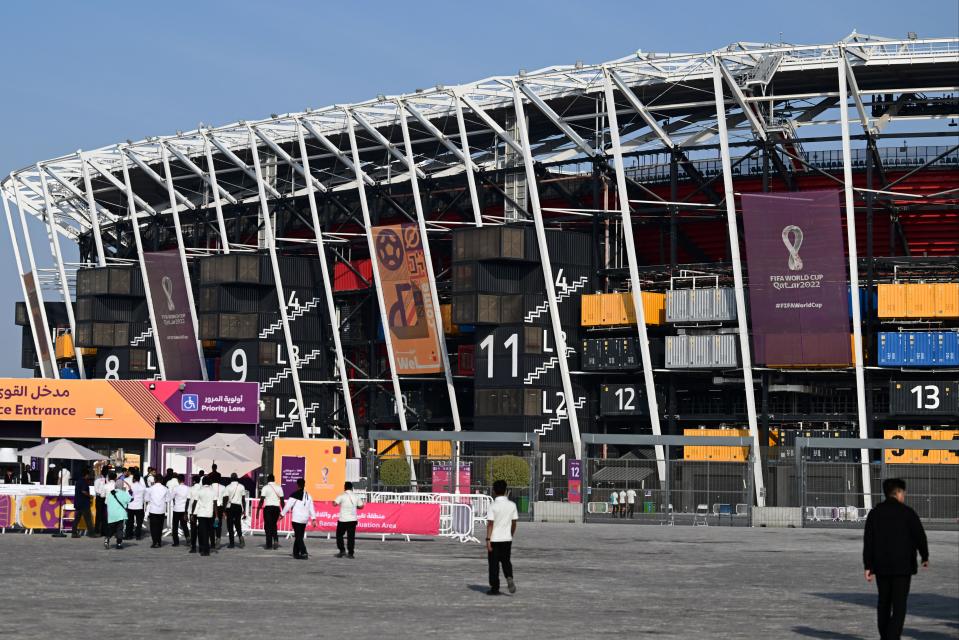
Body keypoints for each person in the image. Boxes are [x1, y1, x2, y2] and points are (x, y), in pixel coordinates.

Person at [863, 478, 930, 640]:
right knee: (899, 606)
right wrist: (924, 556)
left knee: (884, 603)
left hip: (882, 566)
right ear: (898, 492)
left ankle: (885, 636)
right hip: (903, 566)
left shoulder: (875, 513)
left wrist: (868, 566)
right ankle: (892, 637)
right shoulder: (908, 513)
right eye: (903, 492)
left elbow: (869, 541)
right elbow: (919, 536)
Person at [485, 479, 518, 596]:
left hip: (494, 539)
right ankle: (509, 576)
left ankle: (495, 588)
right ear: (505, 490)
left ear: (494, 491)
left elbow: (490, 524)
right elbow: (514, 523)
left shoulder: (492, 506)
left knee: (493, 564)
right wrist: (511, 534)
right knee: (506, 561)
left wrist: (488, 540)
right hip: (506, 538)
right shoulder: (512, 505)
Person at [280, 478, 315, 560]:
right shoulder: (308, 495)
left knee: (298, 537)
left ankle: (304, 552)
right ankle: (296, 553)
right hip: (304, 519)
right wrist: (313, 518)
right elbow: (311, 507)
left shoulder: (294, 494)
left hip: (296, 519)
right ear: (304, 485)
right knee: (299, 536)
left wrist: (282, 514)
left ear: (297, 485)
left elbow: (288, 506)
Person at [333, 481, 365, 559]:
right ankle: (350, 553)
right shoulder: (356, 496)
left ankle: (342, 551)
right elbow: (361, 506)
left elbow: (334, 504)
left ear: (345, 487)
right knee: (351, 537)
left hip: (343, 520)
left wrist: (335, 502)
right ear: (352, 488)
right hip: (353, 520)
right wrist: (355, 507)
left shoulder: (341, 496)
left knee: (339, 535)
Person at [104, 472, 130, 550]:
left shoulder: (111, 494)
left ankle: (107, 538)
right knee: (120, 529)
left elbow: (106, 502)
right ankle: (119, 543)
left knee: (111, 528)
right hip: (120, 514)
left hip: (112, 513)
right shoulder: (123, 493)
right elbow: (130, 499)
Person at [191, 476, 217, 557]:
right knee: (208, 532)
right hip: (210, 514)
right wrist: (216, 514)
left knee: (202, 532)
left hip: (201, 514)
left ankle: (203, 549)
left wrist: (192, 513)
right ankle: (206, 549)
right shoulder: (213, 491)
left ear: (203, 482)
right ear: (210, 482)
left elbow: (194, 502)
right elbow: (215, 504)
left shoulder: (199, 491)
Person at [259, 475, 284, 550]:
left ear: (268, 480)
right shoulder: (279, 487)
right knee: (273, 525)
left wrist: (258, 509)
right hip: (276, 508)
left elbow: (262, 499)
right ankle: (275, 540)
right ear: (274, 479)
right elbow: (282, 500)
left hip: (268, 508)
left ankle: (269, 544)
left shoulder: (265, 487)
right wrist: (283, 510)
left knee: (267, 526)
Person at [145, 476, 170, 548]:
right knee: (160, 527)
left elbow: (146, 499)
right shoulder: (165, 489)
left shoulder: (150, 489)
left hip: (153, 509)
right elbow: (168, 499)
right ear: (162, 480)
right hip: (161, 510)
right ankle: (159, 542)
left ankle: (154, 542)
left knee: (153, 527)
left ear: (155, 480)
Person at [224, 473, 247, 549]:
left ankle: (232, 543)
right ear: (237, 478)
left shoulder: (227, 487)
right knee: (237, 523)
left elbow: (226, 499)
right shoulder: (241, 487)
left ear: (231, 478)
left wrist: (224, 509)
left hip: (230, 507)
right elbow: (243, 499)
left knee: (230, 525)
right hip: (238, 507)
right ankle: (240, 537)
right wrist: (244, 510)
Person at [71, 469, 94, 538]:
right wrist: (90, 496)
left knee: (77, 519)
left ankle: (74, 533)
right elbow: (83, 491)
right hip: (84, 503)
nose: (89, 476)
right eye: (88, 475)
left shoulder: (78, 481)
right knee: (88, 519)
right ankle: (91, 533)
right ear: (86, 475)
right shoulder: (83, 482)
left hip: (78, 503)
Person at [125, 471, 146, 540]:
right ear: (139, 479)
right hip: (139, 506)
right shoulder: (143, 487)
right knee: (139, 522)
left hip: (131, 506)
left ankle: (129, 535)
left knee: (130, 522)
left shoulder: (131, 487)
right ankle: (138, 535)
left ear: (133, 479)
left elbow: (128, 496)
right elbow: (145, 497)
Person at [170, 474, 190, 547]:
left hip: (177, 509)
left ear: (178, 480)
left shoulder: (175, 488)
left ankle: (176, 542)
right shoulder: (188, 488)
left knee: (175, 526)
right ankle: (188, 539)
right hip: (184, 509)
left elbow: (171, 497)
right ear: (184, 480)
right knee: (184, 525)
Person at [93, 466, 112, 537]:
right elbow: (96, 489)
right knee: (99, 515)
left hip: (106, 498)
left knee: (105, 515)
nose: (107, 472)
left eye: (107, 471)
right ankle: (97, 530)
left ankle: (104, 531)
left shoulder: (107, 479)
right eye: (106, 470)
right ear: (103, 471)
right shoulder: (98, 478)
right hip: (99, 498)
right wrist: (101, 494)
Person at [188, 474, 204, 553]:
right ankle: (201, 547)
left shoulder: (191, 489)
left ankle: (193, 547)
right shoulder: (202, 489)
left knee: (193, 530)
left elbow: (188, 501)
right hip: (201, 512)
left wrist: (186, 512)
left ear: (194, 481)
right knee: (201, 530)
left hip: (192, 512)